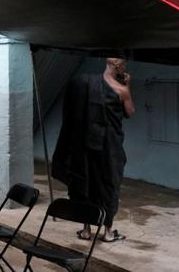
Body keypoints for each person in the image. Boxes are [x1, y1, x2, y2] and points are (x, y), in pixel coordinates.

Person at [52, 58, 135, 242]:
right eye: (124, 64)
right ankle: (108, 232)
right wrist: (127, 88)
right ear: (118, 66)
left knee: (85, 181)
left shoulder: (85, 82)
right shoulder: (121, 90)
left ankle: (86, 230)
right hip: (110, 148)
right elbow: (129, 112)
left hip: (84, 145)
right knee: (108, 185)